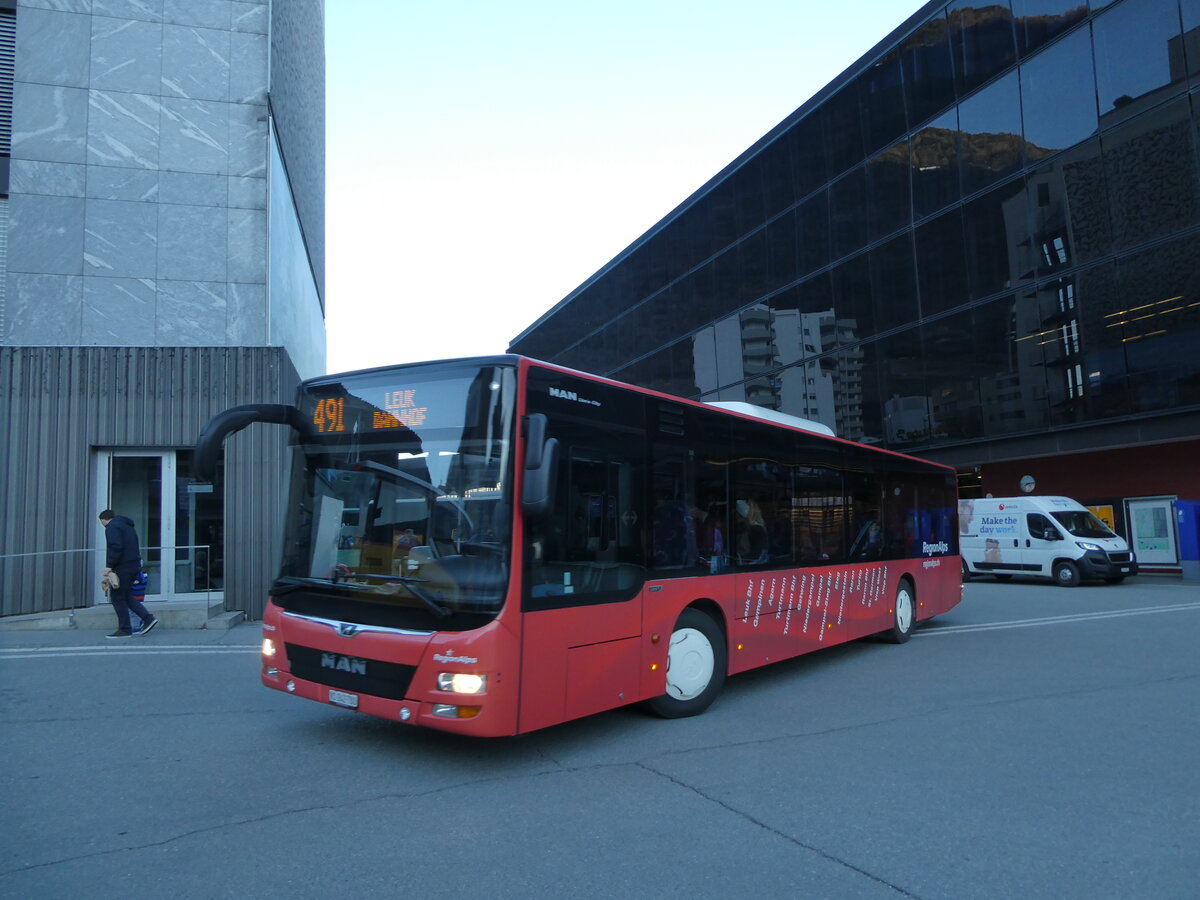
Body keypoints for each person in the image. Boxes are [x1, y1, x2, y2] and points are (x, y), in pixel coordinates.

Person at [98, 509, 157, 639]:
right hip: (134, 564)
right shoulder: (127, 526)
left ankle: (125, 629)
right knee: (125, 595)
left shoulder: (112, 527)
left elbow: (115, 546)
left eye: (102, 523)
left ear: (104, 519)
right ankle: (148, 618)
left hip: (123, 566)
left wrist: (109, 566)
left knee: (117, 597)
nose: (103, 526)